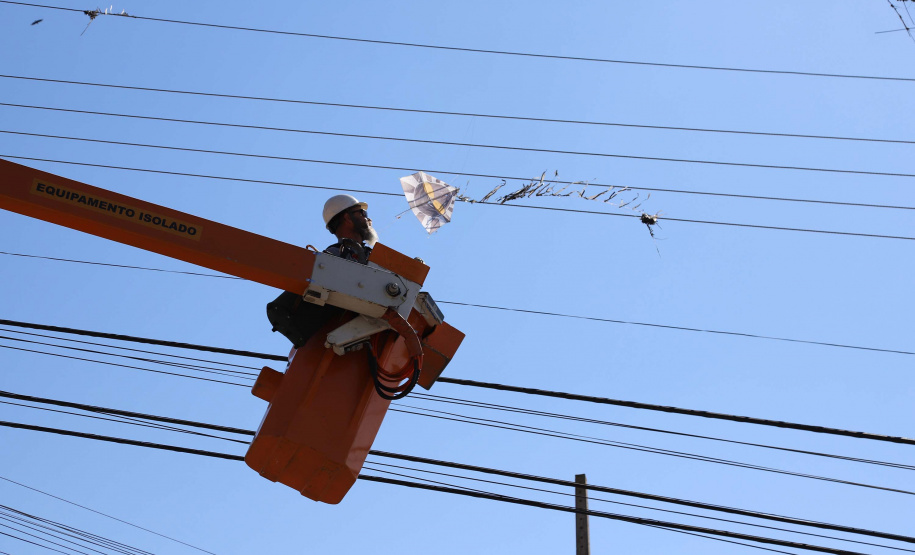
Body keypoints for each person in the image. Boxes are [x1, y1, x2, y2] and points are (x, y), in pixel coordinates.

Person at [266, 194, 378, 347]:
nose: (367, 218)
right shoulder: (335, 255)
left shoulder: (365, 254)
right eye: (362, 213)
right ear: (347, 217)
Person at [322, 194, 379, 265]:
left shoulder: (374, 256)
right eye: (362, 213)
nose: (369, 219)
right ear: (348, 218)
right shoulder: (331, 256)